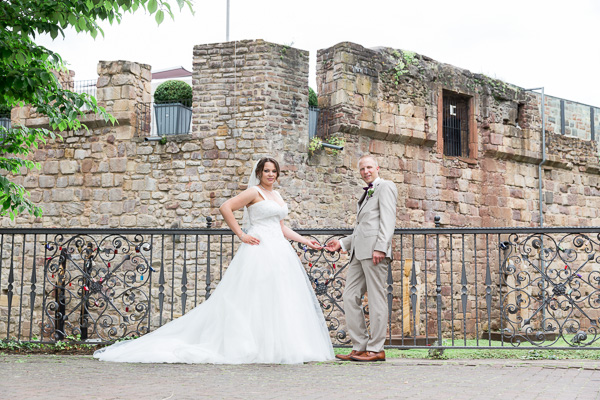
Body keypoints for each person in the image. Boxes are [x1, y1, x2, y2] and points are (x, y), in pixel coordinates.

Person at [94, 157, 334, 364]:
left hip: (280, 251)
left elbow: (281, 227)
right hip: (259, 248)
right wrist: (241, 234)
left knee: (279, 297)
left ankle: (279, 346)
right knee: (253, 297)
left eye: (274, 171)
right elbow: (225, 207)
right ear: (259, 173)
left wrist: (305, 241)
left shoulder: (277, 195)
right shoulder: (254, 192)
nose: (270, 174)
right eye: (266, 171)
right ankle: (250, 345)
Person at [325, 154, 398, 362]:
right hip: (358, 252)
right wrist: (343, 243)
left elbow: (388, 220)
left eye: (369, 167)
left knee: (376, 299)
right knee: (349, 297)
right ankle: (359, 346)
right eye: (362, 169)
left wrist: (381, 248)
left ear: (377, 167)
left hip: (375, 252)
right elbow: (363, 228)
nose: (365, 171)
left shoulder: (386, 186)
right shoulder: (366, 194)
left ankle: (376, 349)